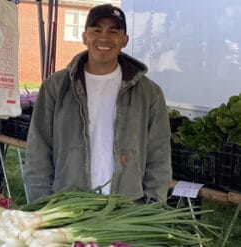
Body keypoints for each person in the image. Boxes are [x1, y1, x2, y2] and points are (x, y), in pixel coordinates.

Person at [23, 4, 172, 203]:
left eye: (113, 31)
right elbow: (38, 149)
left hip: (126, 207)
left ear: (124, 40)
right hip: (68, 203)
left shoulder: (149, 92)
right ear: (85, 37)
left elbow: (159, 154)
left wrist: (152, 205)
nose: (104, 38)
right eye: (96, 30)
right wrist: (40, 203)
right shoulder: (56, 87)